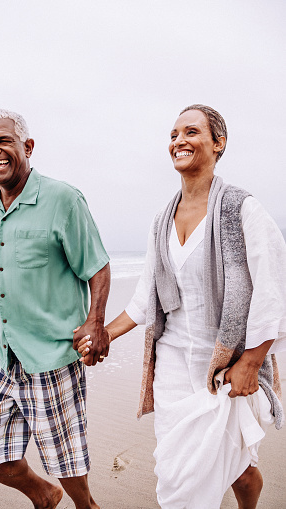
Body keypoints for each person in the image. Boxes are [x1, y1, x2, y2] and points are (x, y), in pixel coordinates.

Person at [77, 105, 286, 509]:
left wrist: (251, 361)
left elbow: (272, 288)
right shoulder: (161, 218)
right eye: (173, 134)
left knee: (238, 463)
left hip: (225, 363)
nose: (178, 141)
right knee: (177, 474)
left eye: (191, 132)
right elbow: (145, 297)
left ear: (218, 143)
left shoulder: (243, 209)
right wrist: (102, 334)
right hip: (172, 364)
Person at [0, 109, 111, 509]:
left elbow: (97, 265)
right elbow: (10, 259)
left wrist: (96, 322)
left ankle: (85, 506)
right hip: (2, 350)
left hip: (51, 353)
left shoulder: (63, 199)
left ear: (27, 146)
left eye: (3, 141)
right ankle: (44, 495)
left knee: (65, 458)